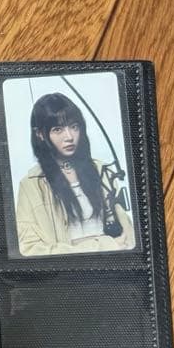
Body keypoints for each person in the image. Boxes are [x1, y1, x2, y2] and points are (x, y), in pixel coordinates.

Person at [15, 92, 135, 255]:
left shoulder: (101, 170)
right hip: (69, 268)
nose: (69, 136)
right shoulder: (31, 185)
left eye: (74, 127)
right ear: (40, 134)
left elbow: (127, 233)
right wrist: (103, 245)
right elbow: (29, 249)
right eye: (58, 129)